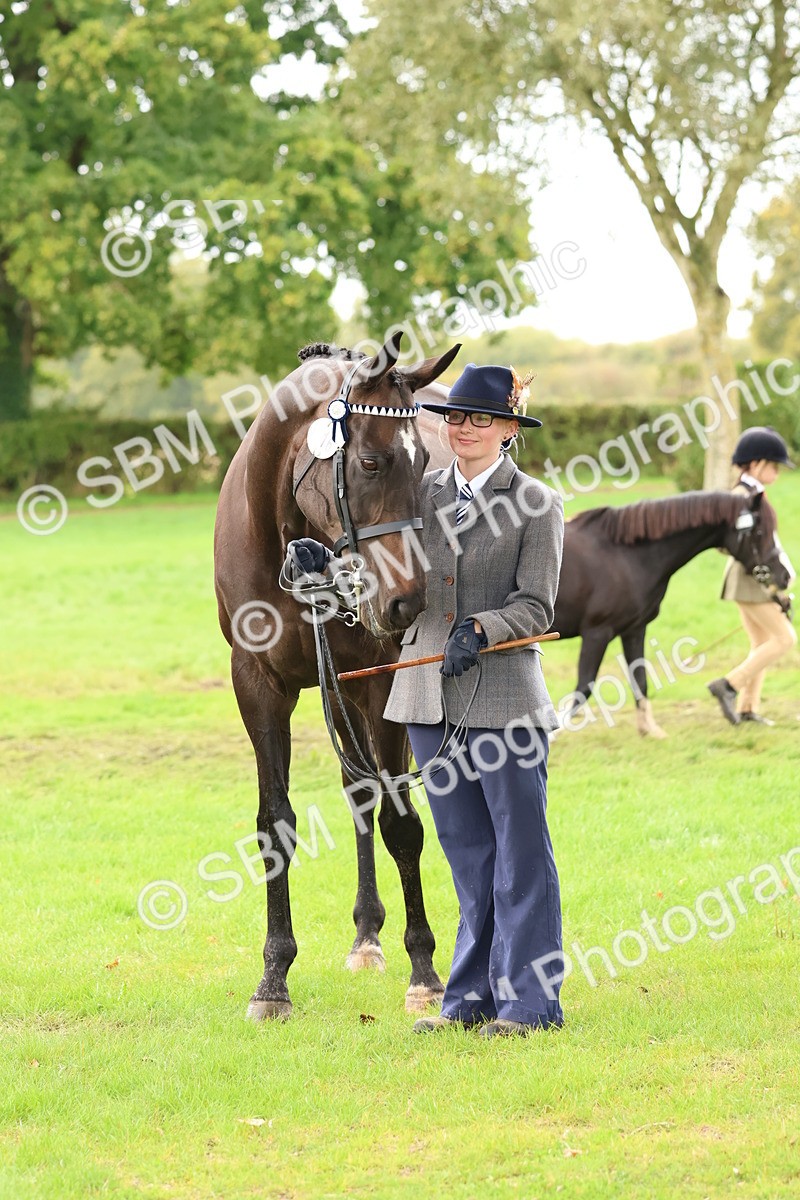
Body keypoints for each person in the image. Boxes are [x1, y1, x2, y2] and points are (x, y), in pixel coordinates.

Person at [382, 363, 565, 1038]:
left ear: (509, 430)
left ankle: (532, 1003)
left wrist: (484, 628)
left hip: (507, 702)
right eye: (456, 417)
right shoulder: (417, 495)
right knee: (466, 853)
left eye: (479, 418)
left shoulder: (538, 504)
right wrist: (328, 572)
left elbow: (538, 604)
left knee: (520, 853)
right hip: (427, 698)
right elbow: (389, 589)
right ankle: (468, 999)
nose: (463, 428)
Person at [708, 426, 796, 726]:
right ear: (756, 463)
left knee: (761, 643)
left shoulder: (753, 494)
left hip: (754, 580)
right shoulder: (741, 496)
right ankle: (729, 685)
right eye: (774, 465)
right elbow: (731, 542)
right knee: (784, 638)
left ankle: (747, 708)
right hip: (748, 580)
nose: (777, 472)